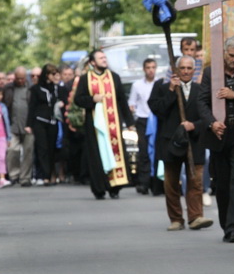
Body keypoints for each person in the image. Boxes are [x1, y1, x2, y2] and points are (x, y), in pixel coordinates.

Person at [148, 56, 213, 231]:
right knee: (171, 183)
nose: (185, 71)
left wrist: (195, 125)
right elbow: (157, 109)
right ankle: (176, 218)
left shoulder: (202, 90)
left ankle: (196, 216)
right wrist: (170, 90)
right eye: (182, 68)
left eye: (189, 68)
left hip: (195, 142)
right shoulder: (162, 88)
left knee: (195, 182)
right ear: (176, 70)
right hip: (171, 142)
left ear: (194, 70)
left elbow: (209, 116)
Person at [198, 36, 234, 243]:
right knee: (221, 183)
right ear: (224, 53)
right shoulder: (211, 72)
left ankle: (233, 228)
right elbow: (202, 102)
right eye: (232, 55)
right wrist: (212, 123)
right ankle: (226, 224)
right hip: (218, 135)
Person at [74, 50, 134, 200]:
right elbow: (78, 100)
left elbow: (122, 101)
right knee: (97, 156)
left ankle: (115, 187)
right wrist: (92, 99)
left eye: (105, 57)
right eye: (100, 58)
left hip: (113, 125)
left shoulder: (114, 77)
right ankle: (99, 188)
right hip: (94, 127)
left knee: (115, 153)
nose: (104, 60)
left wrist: (130, 122)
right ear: (93, 62)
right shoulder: (85, 79)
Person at [27, 64, 62, 186]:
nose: (55, 76)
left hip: (53, 121)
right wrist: (29, 124)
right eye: (53, 74)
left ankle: (51, 174)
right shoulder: (36, 89)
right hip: (40, 121)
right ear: (47, 75)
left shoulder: (56, 88)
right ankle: (45, 176)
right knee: (42, 148)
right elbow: (32, 107)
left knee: (52, 148)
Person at [128, 58, 157, 195]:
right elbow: (132, 103)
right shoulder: (137, 85)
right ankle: (144, 183)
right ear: (144, 69)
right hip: (143, 120)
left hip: (157, 119)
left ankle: (157, 183)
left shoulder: (160, 83)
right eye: (148, 67)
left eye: (153, 67)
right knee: (144, 152)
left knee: (157, 151)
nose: (151, 70)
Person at [3, 66, 35, 187]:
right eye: (18, 78)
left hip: (28, 125)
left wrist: (31, 124)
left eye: (22, 78)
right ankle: (14, 175)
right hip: (13, 125)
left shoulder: (31, 88)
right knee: (12, 150)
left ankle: (25, 177)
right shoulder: (8, 88)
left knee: (28, 151)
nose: (20, 80)